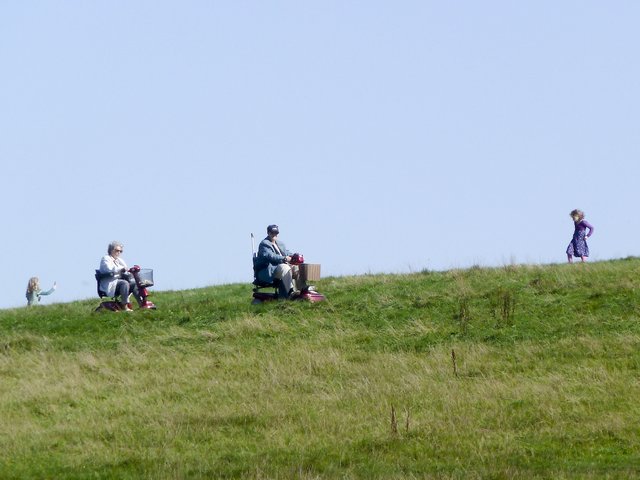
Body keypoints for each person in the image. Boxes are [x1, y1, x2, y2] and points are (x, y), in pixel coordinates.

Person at [254, 224, 300, 299]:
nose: (274, 234)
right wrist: (284, 258)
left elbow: (287, 253)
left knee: (296, 268)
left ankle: (301, 290)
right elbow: (270, 256)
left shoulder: (280, 244)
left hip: (280, 269)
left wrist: (295, 256)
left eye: (276, 233)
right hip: (268, 270)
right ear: (268, 233)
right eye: (272, 233)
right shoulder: (264, 244)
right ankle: (290, 292)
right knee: (284, 267)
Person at [98, 241, 144, 311]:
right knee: (124, 283)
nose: (119, 252)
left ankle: (141, 304)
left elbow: (126, 270)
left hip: (118, 283)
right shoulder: (106, 258)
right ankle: (124, 306)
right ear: (111, 250)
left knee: (134, 283)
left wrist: (132, 272)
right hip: (110, 283)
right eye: (117, 250)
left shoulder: (120, 260)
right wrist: (121, 269)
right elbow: (109, 269)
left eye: (120, 251)